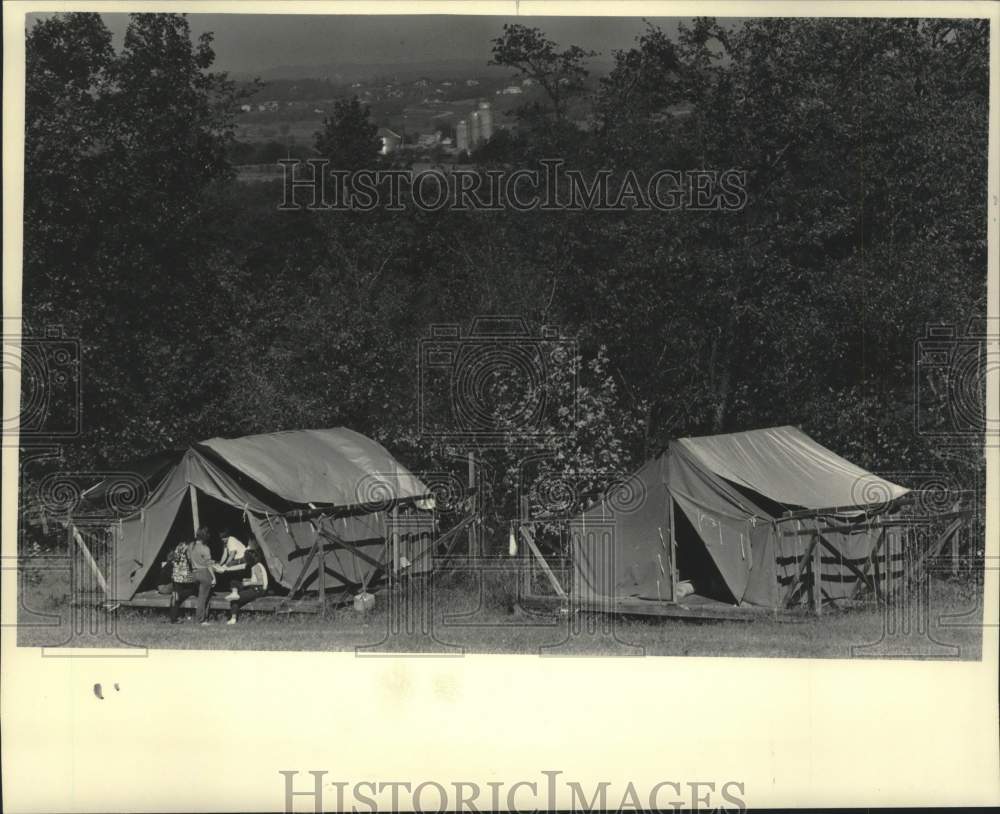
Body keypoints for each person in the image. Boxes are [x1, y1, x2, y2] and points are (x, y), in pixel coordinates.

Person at [227, 549, 269, 625]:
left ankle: (233, 618)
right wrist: (248, 579)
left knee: (235, 599)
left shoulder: (256, 567)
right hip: (255, 588)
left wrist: (248, 583)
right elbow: (256, 578)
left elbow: (261, 582)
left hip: (258, 590)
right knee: (234, 582)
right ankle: (234, 592)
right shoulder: (256, 565)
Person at [188, 526, 218, 625]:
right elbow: (208, 565)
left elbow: (189, 558)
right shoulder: (205, 548)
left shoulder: (191, 545)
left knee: (200, 597)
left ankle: (201, 617)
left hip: (194, 573)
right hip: (204, 573)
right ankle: (201, 620)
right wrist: (213, 577)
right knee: (203, 598)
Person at [167, 540, 199, 623]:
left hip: (176, 576)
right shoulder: (188, 548)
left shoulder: (178, 547)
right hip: (185, 577)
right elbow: (190, 560)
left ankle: (173, 618)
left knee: (175, 596)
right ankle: (179, 597)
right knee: (192, 590)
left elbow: (173, 559)